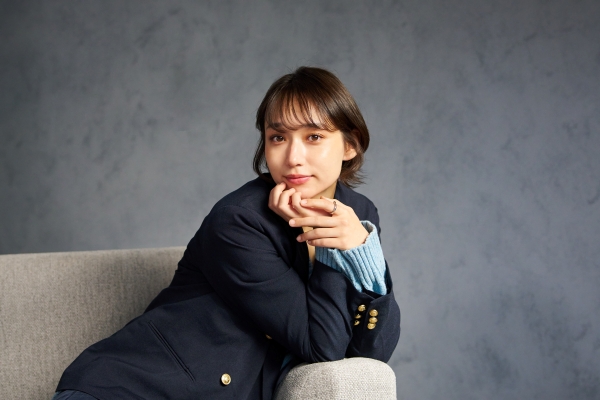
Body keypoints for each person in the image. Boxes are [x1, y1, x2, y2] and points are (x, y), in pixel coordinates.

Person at [54, 66, 401, 400]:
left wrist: (362, 248)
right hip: (132, 389)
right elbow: (322, 345)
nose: (293, 157)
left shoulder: (358, 215)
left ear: (350, 144)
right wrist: (328, 242)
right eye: (278, 137)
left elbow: (370, 353)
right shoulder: (238, 221)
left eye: (314, 137)